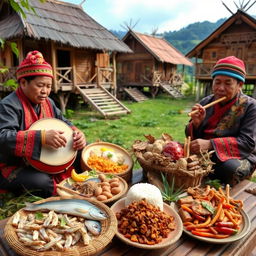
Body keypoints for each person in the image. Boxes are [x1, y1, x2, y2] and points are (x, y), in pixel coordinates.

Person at [0, 50, 86, 197]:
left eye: (48, 86)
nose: (45, 91)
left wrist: (77, 133)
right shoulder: (8, 105)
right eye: (40, 85)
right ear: (23, 82)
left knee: (82, 151)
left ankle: (82, 185)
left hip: (44, 157)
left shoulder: (48, 102)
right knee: (42, 183)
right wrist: (42, 138)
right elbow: (3, 138)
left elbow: (64, 121)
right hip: (14, 165)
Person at [186, 56, 256, 186]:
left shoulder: (251, 107)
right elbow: (191, 137)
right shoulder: (206, 102)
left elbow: (247, 143)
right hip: (205, 153)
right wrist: (196, 124)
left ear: (240, 85)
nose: (221, 88)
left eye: (228, 83)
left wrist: (210, 144)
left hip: (238, 156)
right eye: (217, 82)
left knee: (231, 169)